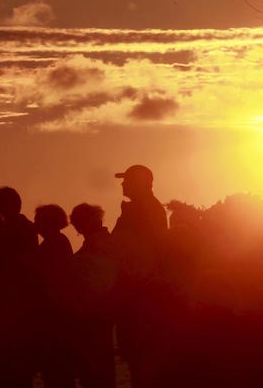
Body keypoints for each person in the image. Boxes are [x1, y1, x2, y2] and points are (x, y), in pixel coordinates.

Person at [111, 164, 167, 387]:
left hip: (140, 294)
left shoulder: (142, 210)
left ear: (141, 183)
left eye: (127, 180)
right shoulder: (143, 208)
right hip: (139, 293)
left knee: (141, 361)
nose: (123, 184)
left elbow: (128, 247)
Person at [70, 204, 118, 388]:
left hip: (94, 315)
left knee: (97, 372)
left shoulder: (99, 246)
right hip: (96, 315)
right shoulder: (102, 243)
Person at [34, 204, 75, 388]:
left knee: (57, 375)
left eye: (38, 219)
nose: (35, 222)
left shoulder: (54, 244)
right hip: (58, 319)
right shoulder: (58, 242)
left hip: (55, 319)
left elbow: (51, 280)